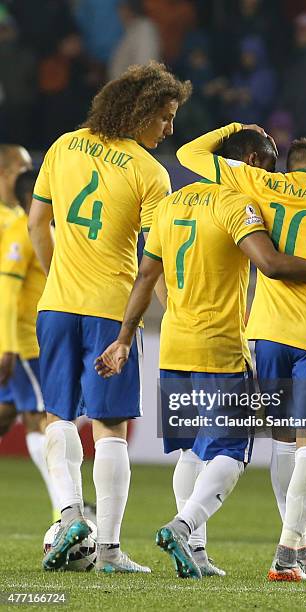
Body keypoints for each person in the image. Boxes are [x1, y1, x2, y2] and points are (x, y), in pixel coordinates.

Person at [95, 128, 306, 579]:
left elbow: (145, 277)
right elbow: (272, 264)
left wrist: (125, 337)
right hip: (219, 345)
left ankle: (197, 553)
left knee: (189, 452)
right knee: (231, 451)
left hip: (175, 345)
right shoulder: (234, 204)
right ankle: (184, 527)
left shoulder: (170, 205)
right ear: (254, 162)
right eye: (269, 164)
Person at [176, 124, 306, 581]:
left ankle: (301, 545)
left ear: (290, 167)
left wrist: (237, 129)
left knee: (285, 442)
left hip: (265, 336)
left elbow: (190, 153)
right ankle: (288, 551)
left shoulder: (261, 183)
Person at [28, 62, 192, 573]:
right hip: (111, 312)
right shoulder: (149, 173)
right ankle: (110, 549)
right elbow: (154, 262)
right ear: (141, 111)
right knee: (110, 428)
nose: (169, 129)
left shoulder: (62, 145)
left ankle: (71, 513)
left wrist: (61, 277)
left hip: (56, 305)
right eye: (165, 118)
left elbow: (39, 222)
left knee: (57, 415)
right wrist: (176, 311)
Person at [0, 170, 61, 521]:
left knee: (7, 415)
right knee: (40, 418)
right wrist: (8, 347)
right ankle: (62, 508)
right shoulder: (23, 231)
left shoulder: (43, 230)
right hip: (24, 344)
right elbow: (7, 294)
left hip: (32, 341)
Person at [0, 144, 32, 436]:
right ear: (4, 173)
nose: (29, 176)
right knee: (37, 413)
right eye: (22, 170)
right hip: (12, 335)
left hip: (18, 328)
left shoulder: (17, 219)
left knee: (9, 412)